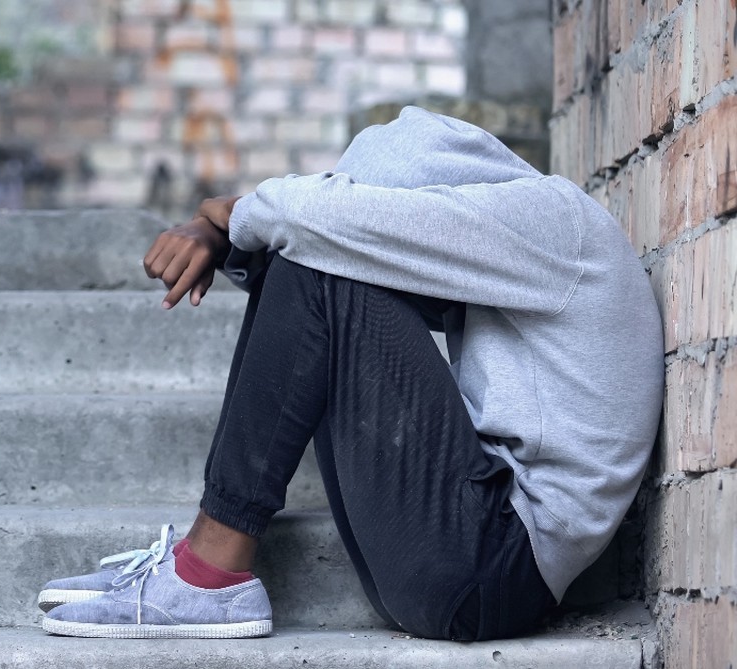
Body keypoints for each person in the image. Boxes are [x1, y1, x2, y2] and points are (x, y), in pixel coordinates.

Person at [35, 107, 664, 641]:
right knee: (320, 257)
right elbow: (312, 253)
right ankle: (203, 569)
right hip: (456, 554)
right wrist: (232, 239)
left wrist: (219, 217)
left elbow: (316, 222)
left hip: (493, 564)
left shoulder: (552, 221)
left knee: (324, 260)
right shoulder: (504, 249)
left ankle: (208, 574)